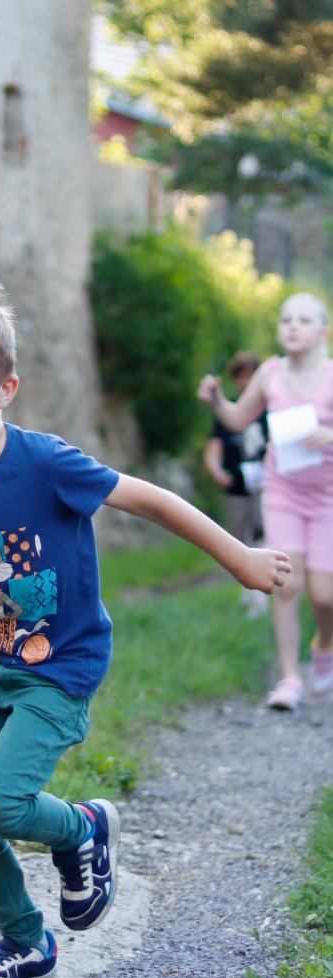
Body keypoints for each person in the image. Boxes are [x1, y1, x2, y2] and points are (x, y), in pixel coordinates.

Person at [0, 281, 290, 978]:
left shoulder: (45, 463)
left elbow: (149, 498)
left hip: (61, 666)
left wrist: (238, 558)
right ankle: (26, 943)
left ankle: (82, 829)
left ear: (5, 388)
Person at [199, 292, 333, 711]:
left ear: (323, 332)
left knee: (325, 596)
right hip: (282, 493)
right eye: (287, 319)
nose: (292, 326)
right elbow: (238, 419)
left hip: (328, 498)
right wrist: (217, 401)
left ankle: (324, 645)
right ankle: (290, 677)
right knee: (287, 583)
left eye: (303, 320)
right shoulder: (269, 374)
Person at [203, 351, 269, 616]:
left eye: (251, 376)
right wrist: (217, 472)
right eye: (241, 377)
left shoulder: (270, 410)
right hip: (237, 485)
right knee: (239, 537)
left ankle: (262, 594)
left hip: (267, 485)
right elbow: (214, 448)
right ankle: (247, 588)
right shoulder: (226, 415)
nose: (246, 382)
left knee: (263, 533)